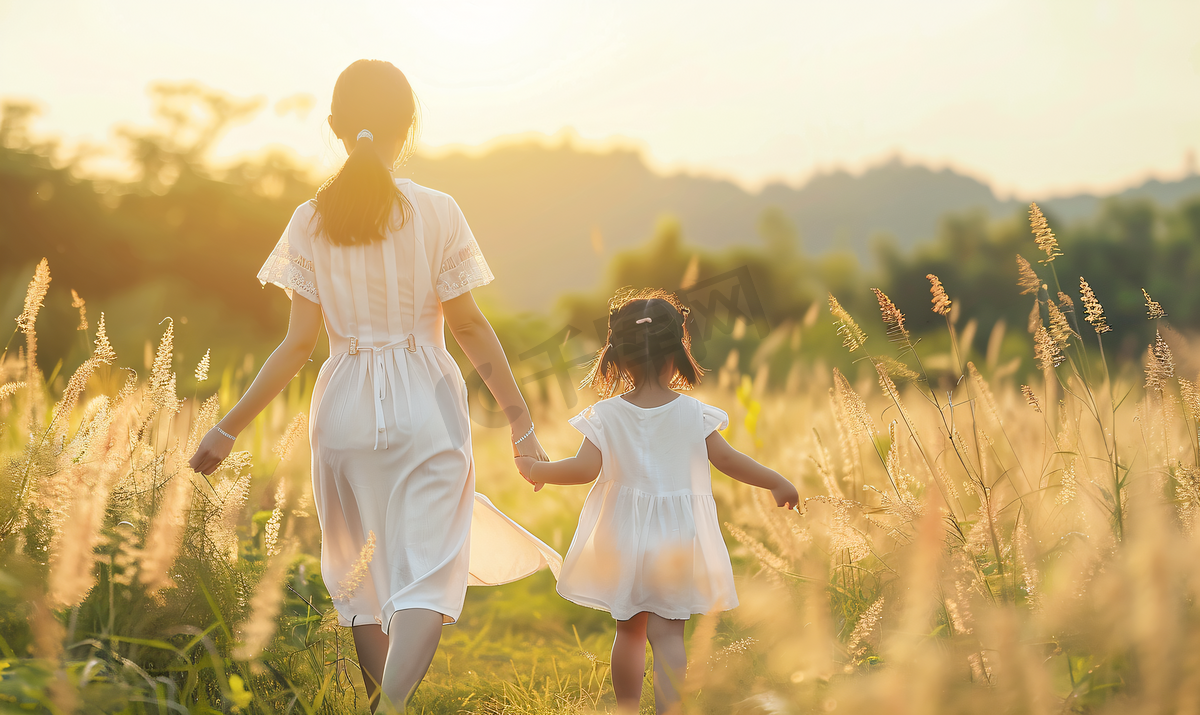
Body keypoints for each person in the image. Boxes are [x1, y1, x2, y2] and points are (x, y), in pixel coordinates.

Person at [188, 59, 559, 712]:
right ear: (407, 125)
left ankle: (379, 705)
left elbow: (297, 345)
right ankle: (389, 708)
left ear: (334, 126)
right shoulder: (439, 211)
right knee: (425, 571)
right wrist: (521, 424)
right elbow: (469, 326)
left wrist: (227, 429)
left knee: (360, 576)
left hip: (344, 413)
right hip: (428, 408)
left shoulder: (308, 218)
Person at [513, 289, 799, 714]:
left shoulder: (605, 415)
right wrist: (776, 482)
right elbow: (727, 460)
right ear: (677, 352)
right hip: (677, 539)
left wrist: (536, 471)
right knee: (668, 635)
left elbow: (583, 469)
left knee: (628, 632)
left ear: (618, 356)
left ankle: (627, 709)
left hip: (622, 535)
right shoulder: (693, 413)